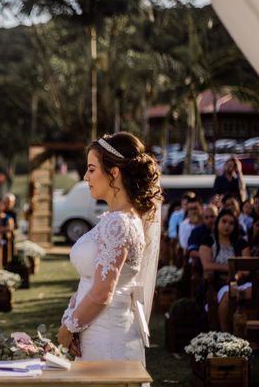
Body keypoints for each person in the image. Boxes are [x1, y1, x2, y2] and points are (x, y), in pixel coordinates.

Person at [57, 132, 162, 368]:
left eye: (92, 169)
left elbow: (103, 292)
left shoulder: (119, 223)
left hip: (108, 338)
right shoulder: (116, 219)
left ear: (113, 173)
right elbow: (92, 281)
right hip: (95, 331)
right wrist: (71, 315)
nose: (86, 177)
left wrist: (68, 328)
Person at [199, 209, 250, 332]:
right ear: (217, 223)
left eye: (231, 223)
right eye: (224, 221)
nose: (227, 225)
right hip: (218, 283)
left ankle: (249, 336)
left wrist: (237, 274)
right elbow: (207, 265)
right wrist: (230, 268)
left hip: (240, 280)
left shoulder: (241, 242)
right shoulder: (208, 241)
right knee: (228, 295)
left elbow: (247, 267)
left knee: (252, 292)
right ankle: (225, 335)